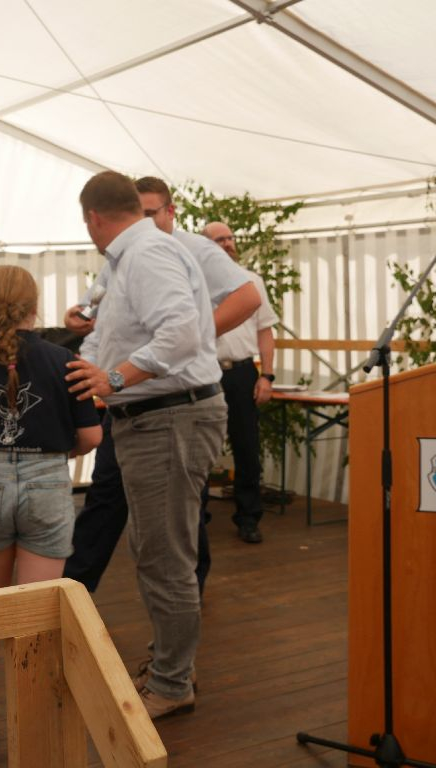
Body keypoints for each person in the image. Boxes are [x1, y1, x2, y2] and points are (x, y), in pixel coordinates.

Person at [65, 171, 226, 720]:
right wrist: (90, 368)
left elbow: (180, 333)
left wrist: (114, 379)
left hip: (169, 418)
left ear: (93, 218)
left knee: (166, 557)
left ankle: (172, 682)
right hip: (155, 419)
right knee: (157, 552)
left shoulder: (146, 254)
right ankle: (169, 666)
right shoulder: (130, 258)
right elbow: (111, 335)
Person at [63, 176, 259, 595]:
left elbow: (247, 297)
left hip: (173, 401)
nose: (143, 220)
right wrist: (80, 319)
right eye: (138, 212)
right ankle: (75, 592)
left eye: (150, 213)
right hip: (134, 404)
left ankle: (183, 599)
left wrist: (190, 340)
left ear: (170, 211)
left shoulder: (185, 249)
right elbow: (96, 308)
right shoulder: (124, 254)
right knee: (121, 507)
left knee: (173, 539)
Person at [0, 265, 101, 746]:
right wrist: (51, 458)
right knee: (35, 611)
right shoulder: (65, 361)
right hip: (47, 482)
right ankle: (32, 718)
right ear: (34, 306)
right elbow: (91, 436)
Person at [203, 221, 279, 544]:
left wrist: (267, 375)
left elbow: (265, 330)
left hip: (242, 373)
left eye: (230, 237)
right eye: (219, 239)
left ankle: (248, 517)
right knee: (200, 446)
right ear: (205, 246)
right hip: (205, 373)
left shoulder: (251, 281)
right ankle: (197, 517)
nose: (227, 243)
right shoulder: (196, 282)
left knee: (247, 446)